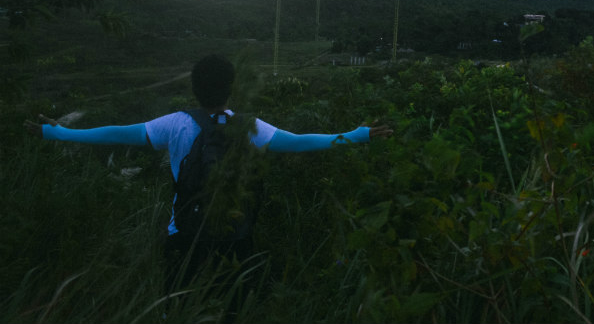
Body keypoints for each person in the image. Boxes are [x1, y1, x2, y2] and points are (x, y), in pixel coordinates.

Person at [24, 53, 392, 318]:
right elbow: (301, 141)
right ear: (230, 88)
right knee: (233, 309)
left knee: (178, 308)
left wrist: (56, 131)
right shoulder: (250, 126)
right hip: (236, 235)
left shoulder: (176, 124)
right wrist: (359, 134)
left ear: (195, 88)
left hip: (183, 235)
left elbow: (116, 134)